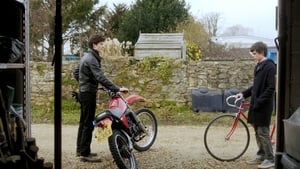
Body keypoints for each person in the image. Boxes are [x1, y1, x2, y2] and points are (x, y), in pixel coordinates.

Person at [76, 34, 128, 162]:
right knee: (88, 123)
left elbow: (77, 72)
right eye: (101, 44)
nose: (103, 46)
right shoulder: (92, 58)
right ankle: (85, 154)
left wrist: (86, 83)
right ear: (94, 45)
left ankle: (81, 150)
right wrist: (116, 88)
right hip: (88, 94)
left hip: (84, 92)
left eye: (103, 44)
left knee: (84, 122)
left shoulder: (87, 57)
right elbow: (100, 77)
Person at [236, 41, 276, 169]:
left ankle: (270, 158)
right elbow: (256, 86)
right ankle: (261, 155)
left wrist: (259, 101)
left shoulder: (270, 66)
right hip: (256, 104)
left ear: (261, 52)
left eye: (254, 53)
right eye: (252, 53)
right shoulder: (258, 66)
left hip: (263, 105)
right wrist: (243, 94)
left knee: (263, 131)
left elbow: (270, 88)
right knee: (257, 131)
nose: (252, 55)